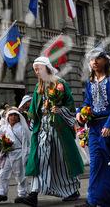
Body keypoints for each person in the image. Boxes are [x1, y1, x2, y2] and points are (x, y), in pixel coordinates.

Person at [22, 57, 83, 207]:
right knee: (40, 158)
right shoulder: (38, 87)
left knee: (62, 161)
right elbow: (34, 109)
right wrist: (29, 117)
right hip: (43, 128)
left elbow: (69, 105)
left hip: (58, 128)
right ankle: (33, 193)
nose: (36, 72)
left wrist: (60, 110)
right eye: (35, 69)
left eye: (39, 69)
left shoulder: (60, 83)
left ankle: (72, 190)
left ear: (47, 68)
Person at [77, 48, 110, 207]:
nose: (94, 62)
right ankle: (93, 200)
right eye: (91, 59)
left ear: (105, 60)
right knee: (96, 163)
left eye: (97, 58)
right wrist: (82, 113)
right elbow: (88, 102)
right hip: (94, 127)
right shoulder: (90, 82)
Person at [0, 107, 30, 203]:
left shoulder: (22, 128)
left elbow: (27, 143)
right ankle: (1, 193)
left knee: (20, 175)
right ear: (7, 117)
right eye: (11, 115)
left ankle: (22, 194)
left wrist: (26, 155)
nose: (13, 117)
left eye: (15, 115)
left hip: (19, 154)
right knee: (2, 174)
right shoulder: (5, 127)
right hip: (7, 154)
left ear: (18, 117)